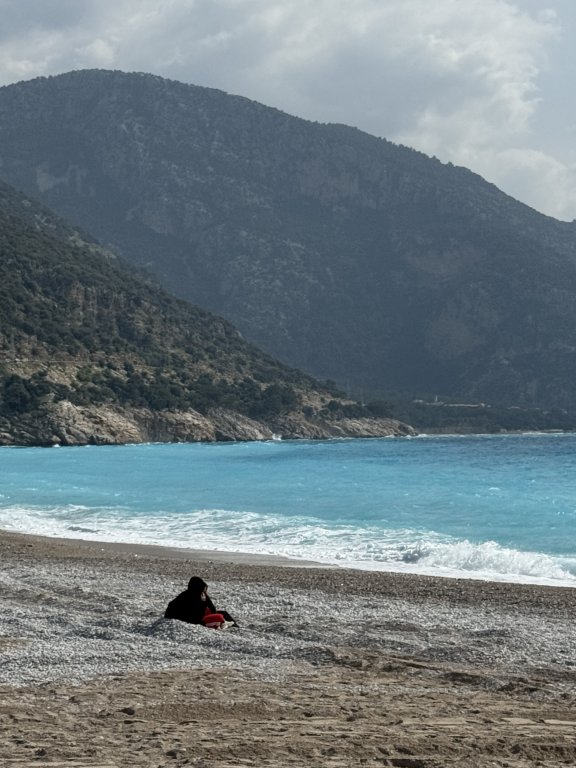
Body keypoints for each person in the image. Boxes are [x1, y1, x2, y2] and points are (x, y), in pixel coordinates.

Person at [164, 576, 237, 629]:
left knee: (224, 613)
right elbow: (197, 615)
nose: (204, 592)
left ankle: (235, 626)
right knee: (219, 617)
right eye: (203, 590)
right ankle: (224, 623)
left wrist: (206, 599)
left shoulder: (200, 594)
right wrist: (204, 602)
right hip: (194, 619)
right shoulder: (188, 597)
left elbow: (211, 607)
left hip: (198, 616)